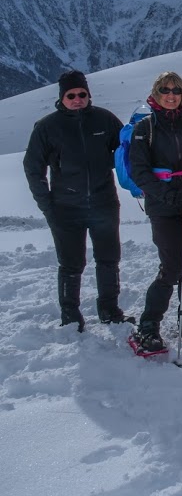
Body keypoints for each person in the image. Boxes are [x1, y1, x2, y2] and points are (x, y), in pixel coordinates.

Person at [24, 70, 127, 331]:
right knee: (71, 263)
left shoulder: (105, 120)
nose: (77, 99)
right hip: (66, 207)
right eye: (71, 95)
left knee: (108, 258)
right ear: (62, 97)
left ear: (88, 94)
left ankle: (109, 310)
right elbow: (33, 169)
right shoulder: (47, 127)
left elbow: (127, 152)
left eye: (82, 94)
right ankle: (70, 316)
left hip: (104, 202)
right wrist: (47, 206)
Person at [126, 72, 182, 354]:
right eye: (165, 90)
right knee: (172, 267)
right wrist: (168, 194)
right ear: (156, 93)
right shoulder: (145, 128)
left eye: (176, 90)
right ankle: (148, 325)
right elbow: (139, 171)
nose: (171, 94)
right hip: (164, 206)